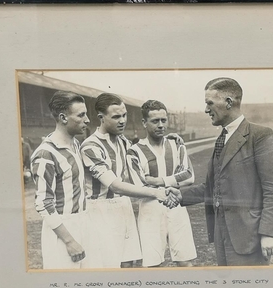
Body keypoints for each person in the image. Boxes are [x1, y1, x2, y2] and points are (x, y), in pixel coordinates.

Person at [169, 77, 273, 266]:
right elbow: (214, 187)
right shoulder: (222, 139)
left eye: (210, 103)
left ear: (229, 102)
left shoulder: (261, 136)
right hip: (222, 235)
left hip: (250, 237)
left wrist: (269, 233)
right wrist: (180, 195)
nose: (206, 109)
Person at [80, 93, 169, 269]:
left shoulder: (123, 142)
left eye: (124, 115)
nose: (122, 121)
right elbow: (114, 185)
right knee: (108, 267)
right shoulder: (91, 147)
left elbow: (142, 163)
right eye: (116, 117)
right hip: (100, 210)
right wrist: (157, 192)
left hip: (124, 207)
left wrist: (169, 141)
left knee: (128, 263)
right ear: (101, 117)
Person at [128, 100, 197, 267]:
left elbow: (189, 176)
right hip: (150, 210)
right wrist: (172, 184)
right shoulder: (134, 151)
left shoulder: (176, 144)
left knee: (185, 262)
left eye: (163, 120)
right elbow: (139, 186)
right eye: (155, 121)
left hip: (177, 207)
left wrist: (161, 181)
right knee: (152, 264)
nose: (160, 125)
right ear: (144, 123)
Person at [30, 91, 90, 269]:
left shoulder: (75, 144)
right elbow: (43, 203)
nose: (87, 120)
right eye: (81, 115)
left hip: (83, 222)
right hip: (62, 230)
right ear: (63, 117)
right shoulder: (45, 154)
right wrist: (70, 241)